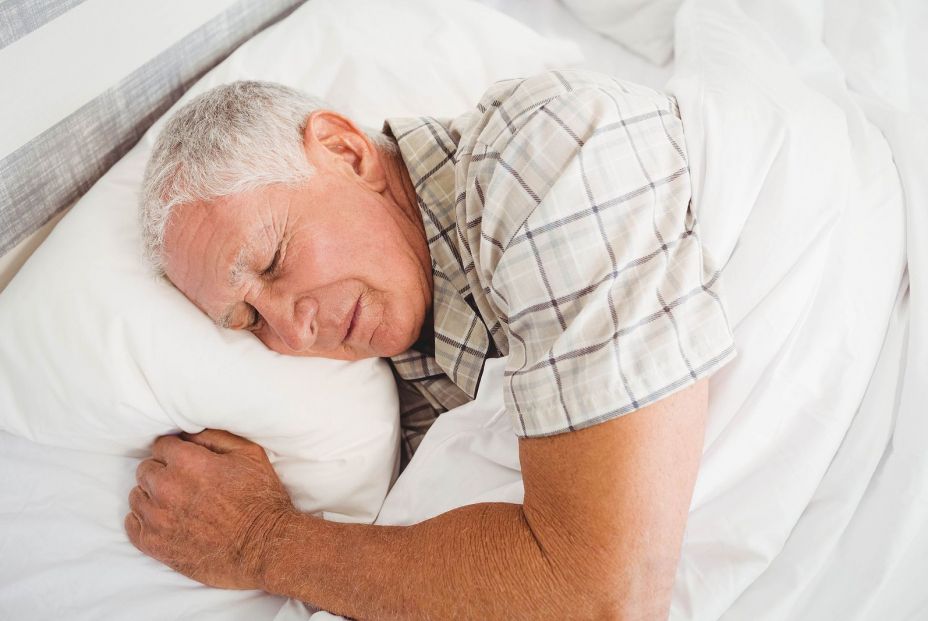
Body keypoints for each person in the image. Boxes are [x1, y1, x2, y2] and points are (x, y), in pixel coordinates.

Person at [128, 70, 736, 619]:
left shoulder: (540, 153)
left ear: (345, 151)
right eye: (248, 320)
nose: (291, 330)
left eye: (274, 259)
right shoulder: (411, 389)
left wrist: (261, 541)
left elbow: (606, 595)